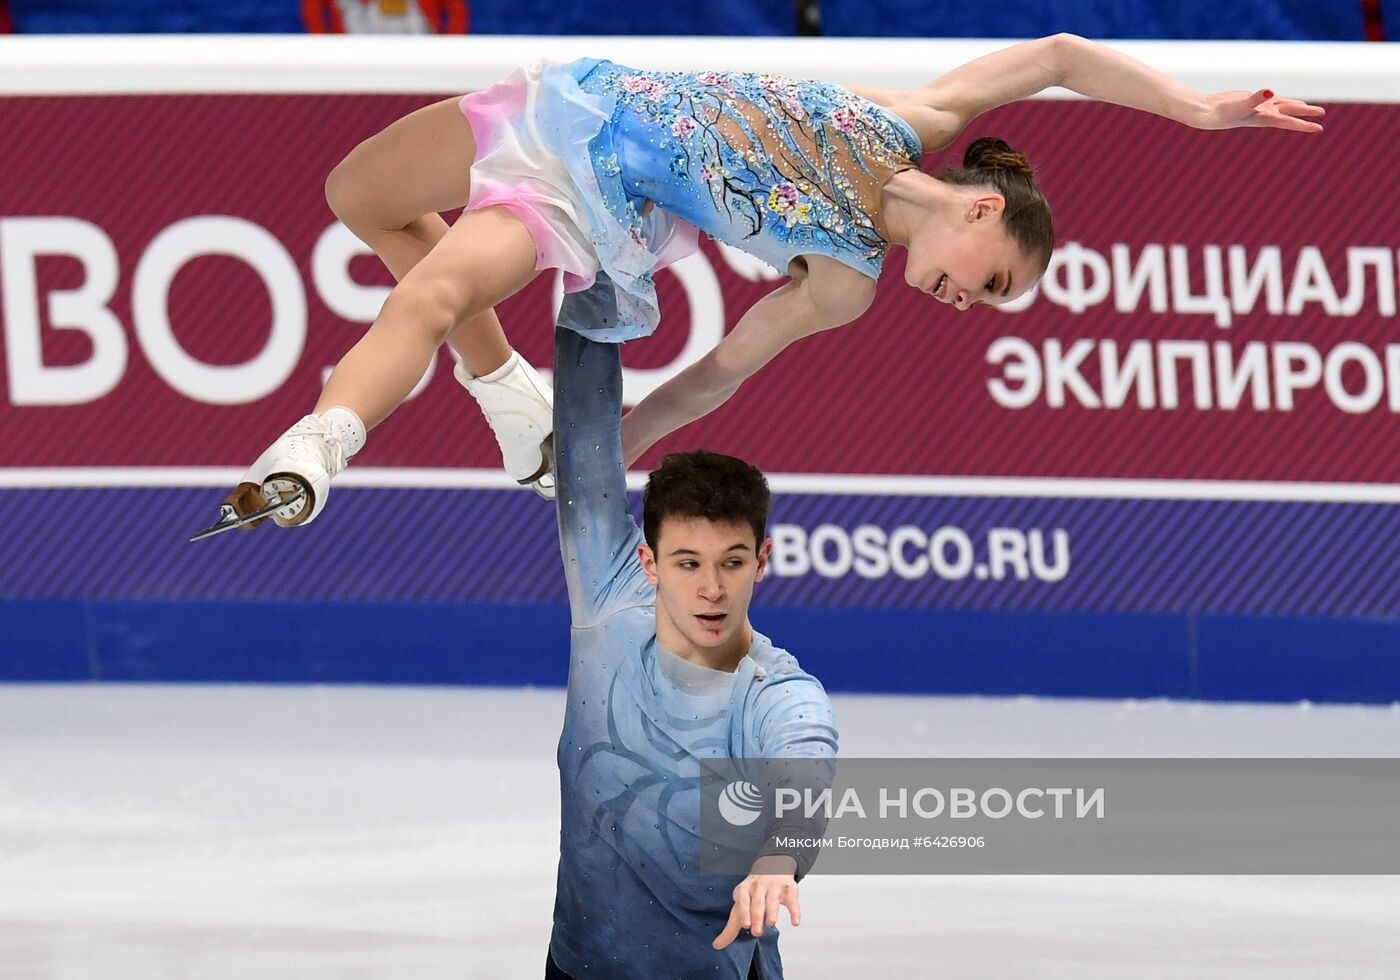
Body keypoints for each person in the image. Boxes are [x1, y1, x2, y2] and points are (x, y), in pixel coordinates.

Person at [214, 33, 1323, 526]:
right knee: (357, 194)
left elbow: (714, 378)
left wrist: (603, 451)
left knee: (433, 295)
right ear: (981, 208)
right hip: (570, 98)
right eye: (988, 283)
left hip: (590, 197)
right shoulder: (920, 121)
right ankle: (503, 392)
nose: (967, 306)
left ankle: (316, 445)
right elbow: (1059, 54)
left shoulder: (841, 282)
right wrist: (1195, 111)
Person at [544, 317, 838, 979]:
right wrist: (600, 270)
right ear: (648, 563)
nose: (711, 590)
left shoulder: (778, 695)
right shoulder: (609, 601)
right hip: (575, 967)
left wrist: (774, 865)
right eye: (686, 563)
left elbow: (805, 778)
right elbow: (585, 428)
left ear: (763, 559)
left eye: (732, 562)